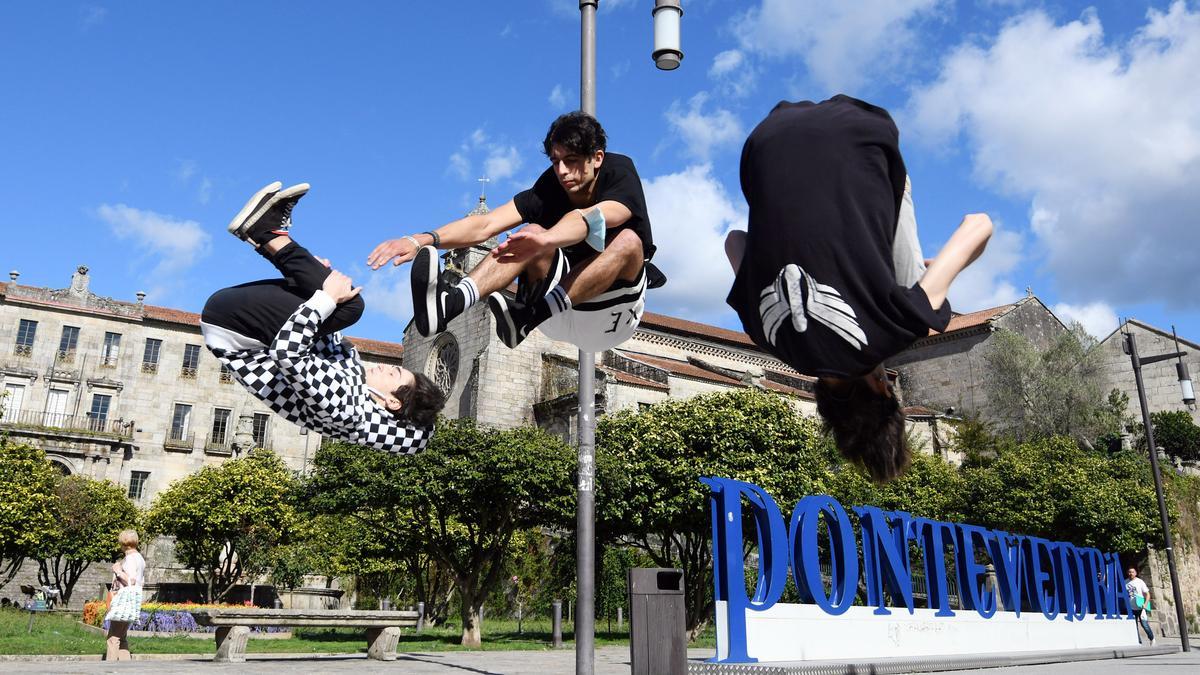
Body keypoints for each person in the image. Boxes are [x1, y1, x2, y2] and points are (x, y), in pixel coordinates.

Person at [724, 95, 993, 482]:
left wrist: (933, 273)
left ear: (884, 390)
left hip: (861, 133)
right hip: (766, 140)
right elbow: (734, 241)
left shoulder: (899, 326)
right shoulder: (768, 338)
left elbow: (979, 223)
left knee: (912, 284)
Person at [367, 111, 661, 353]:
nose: (562, 172)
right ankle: (450, 305)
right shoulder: (550, 187)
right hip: (557, 311)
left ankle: (528, 315)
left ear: (596, 158)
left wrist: (548, 237)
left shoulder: (619, 172)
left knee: (628, 240)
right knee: (529, 231)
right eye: (555, 162)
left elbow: (603, 215)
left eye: (571, 161)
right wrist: (420, 239)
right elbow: (486, 224)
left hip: (613, 317)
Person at [202, 182, 444, 454]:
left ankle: (264, 231)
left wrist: (325, 298)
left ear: (393, 402)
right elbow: (319, 335)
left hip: (237, 330)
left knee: (350, 307)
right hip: (239, 323)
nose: (387, 367)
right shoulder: (353, 383)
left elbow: (288, 354)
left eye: (395, 373)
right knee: (342, 300)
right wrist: (317, 279)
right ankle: (262, 236)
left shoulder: (345, 408)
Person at [103, 529, 145, 661]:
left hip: (123, 601)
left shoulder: (130, 558)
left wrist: (118, 571)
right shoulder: (140, 558)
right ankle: (126, 667)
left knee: (113, 638)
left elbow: (131, 580)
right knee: (122, 637)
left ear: (122, 543)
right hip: (132, 601)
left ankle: (110, 668)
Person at [1125, 566, 1156, 645]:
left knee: (1144, 625)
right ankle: (1138, 641)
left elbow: (1148, 594)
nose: (1130, 573)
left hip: (1140, 607)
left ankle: (1152, 638)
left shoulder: (1140, 582)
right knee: (1133, 626)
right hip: (1131, 608)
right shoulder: (1125, 582)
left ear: (1135, 573)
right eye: (1129, 572)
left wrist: (1145, 604)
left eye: (1132, 572)